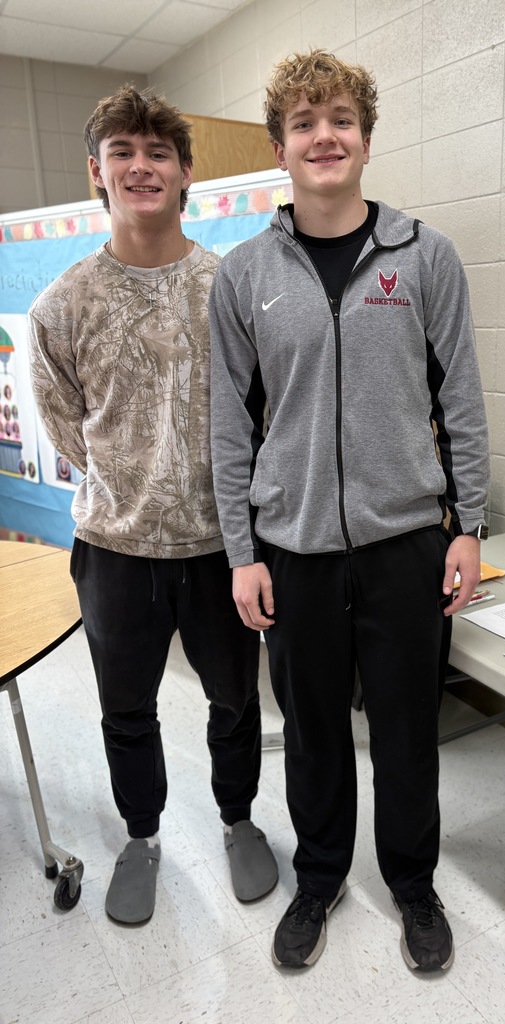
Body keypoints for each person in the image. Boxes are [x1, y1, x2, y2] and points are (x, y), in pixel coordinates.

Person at [208, 50, 489, 972]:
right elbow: (229, 425)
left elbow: (462, 404)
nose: (323, 135)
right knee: (314, 730)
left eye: (340, 118)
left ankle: (413, 884)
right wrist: (243, 551)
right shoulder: (246, 275)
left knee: (409, 729)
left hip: (407, 542)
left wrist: (469, 525)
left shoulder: (425, 254)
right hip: (291, 549)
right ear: (280, 147)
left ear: (366, 137)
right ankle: (321, 876)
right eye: (303, 121)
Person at [27, 85, 277, 925]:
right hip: (116, 550)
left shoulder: (230, 287)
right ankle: (142, 837)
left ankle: (239, 820)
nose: (142, 166)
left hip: (221, 550)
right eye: (123, 153)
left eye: (158, 152)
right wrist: (136, 483)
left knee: (235, 700)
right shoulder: (62, 303)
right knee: (126, 710)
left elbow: (263, 410)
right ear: (96, 172)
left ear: (186, 173)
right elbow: (66, 427)